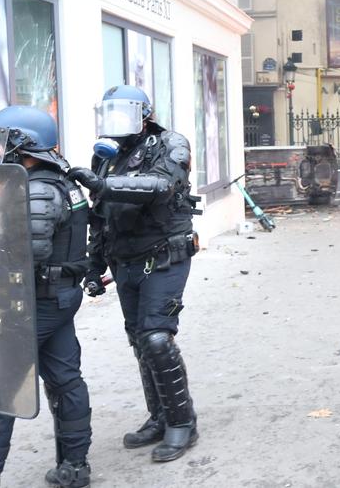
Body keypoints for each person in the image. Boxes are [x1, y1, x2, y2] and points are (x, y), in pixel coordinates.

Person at [67, 85, 201, 463]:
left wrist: (104, 185)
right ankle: (159, 416)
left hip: (165, 255)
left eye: (122, 112)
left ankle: (182, 422)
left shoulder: (170, 143)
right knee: (140, 340)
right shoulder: (107, 158)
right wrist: (93, 266)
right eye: (108, 113)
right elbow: (99, 217)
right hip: (124, 259)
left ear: (144, 114)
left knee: (157, 337)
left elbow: (162, 186)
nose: (115, 122)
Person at [0, 106, 93, 488]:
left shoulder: (37, 189)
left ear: (25, 146)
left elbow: (26, 252)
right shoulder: (58, 181)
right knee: (66, 379)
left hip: (35, 304)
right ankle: (75, 466)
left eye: (4, 140)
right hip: (57, 300)